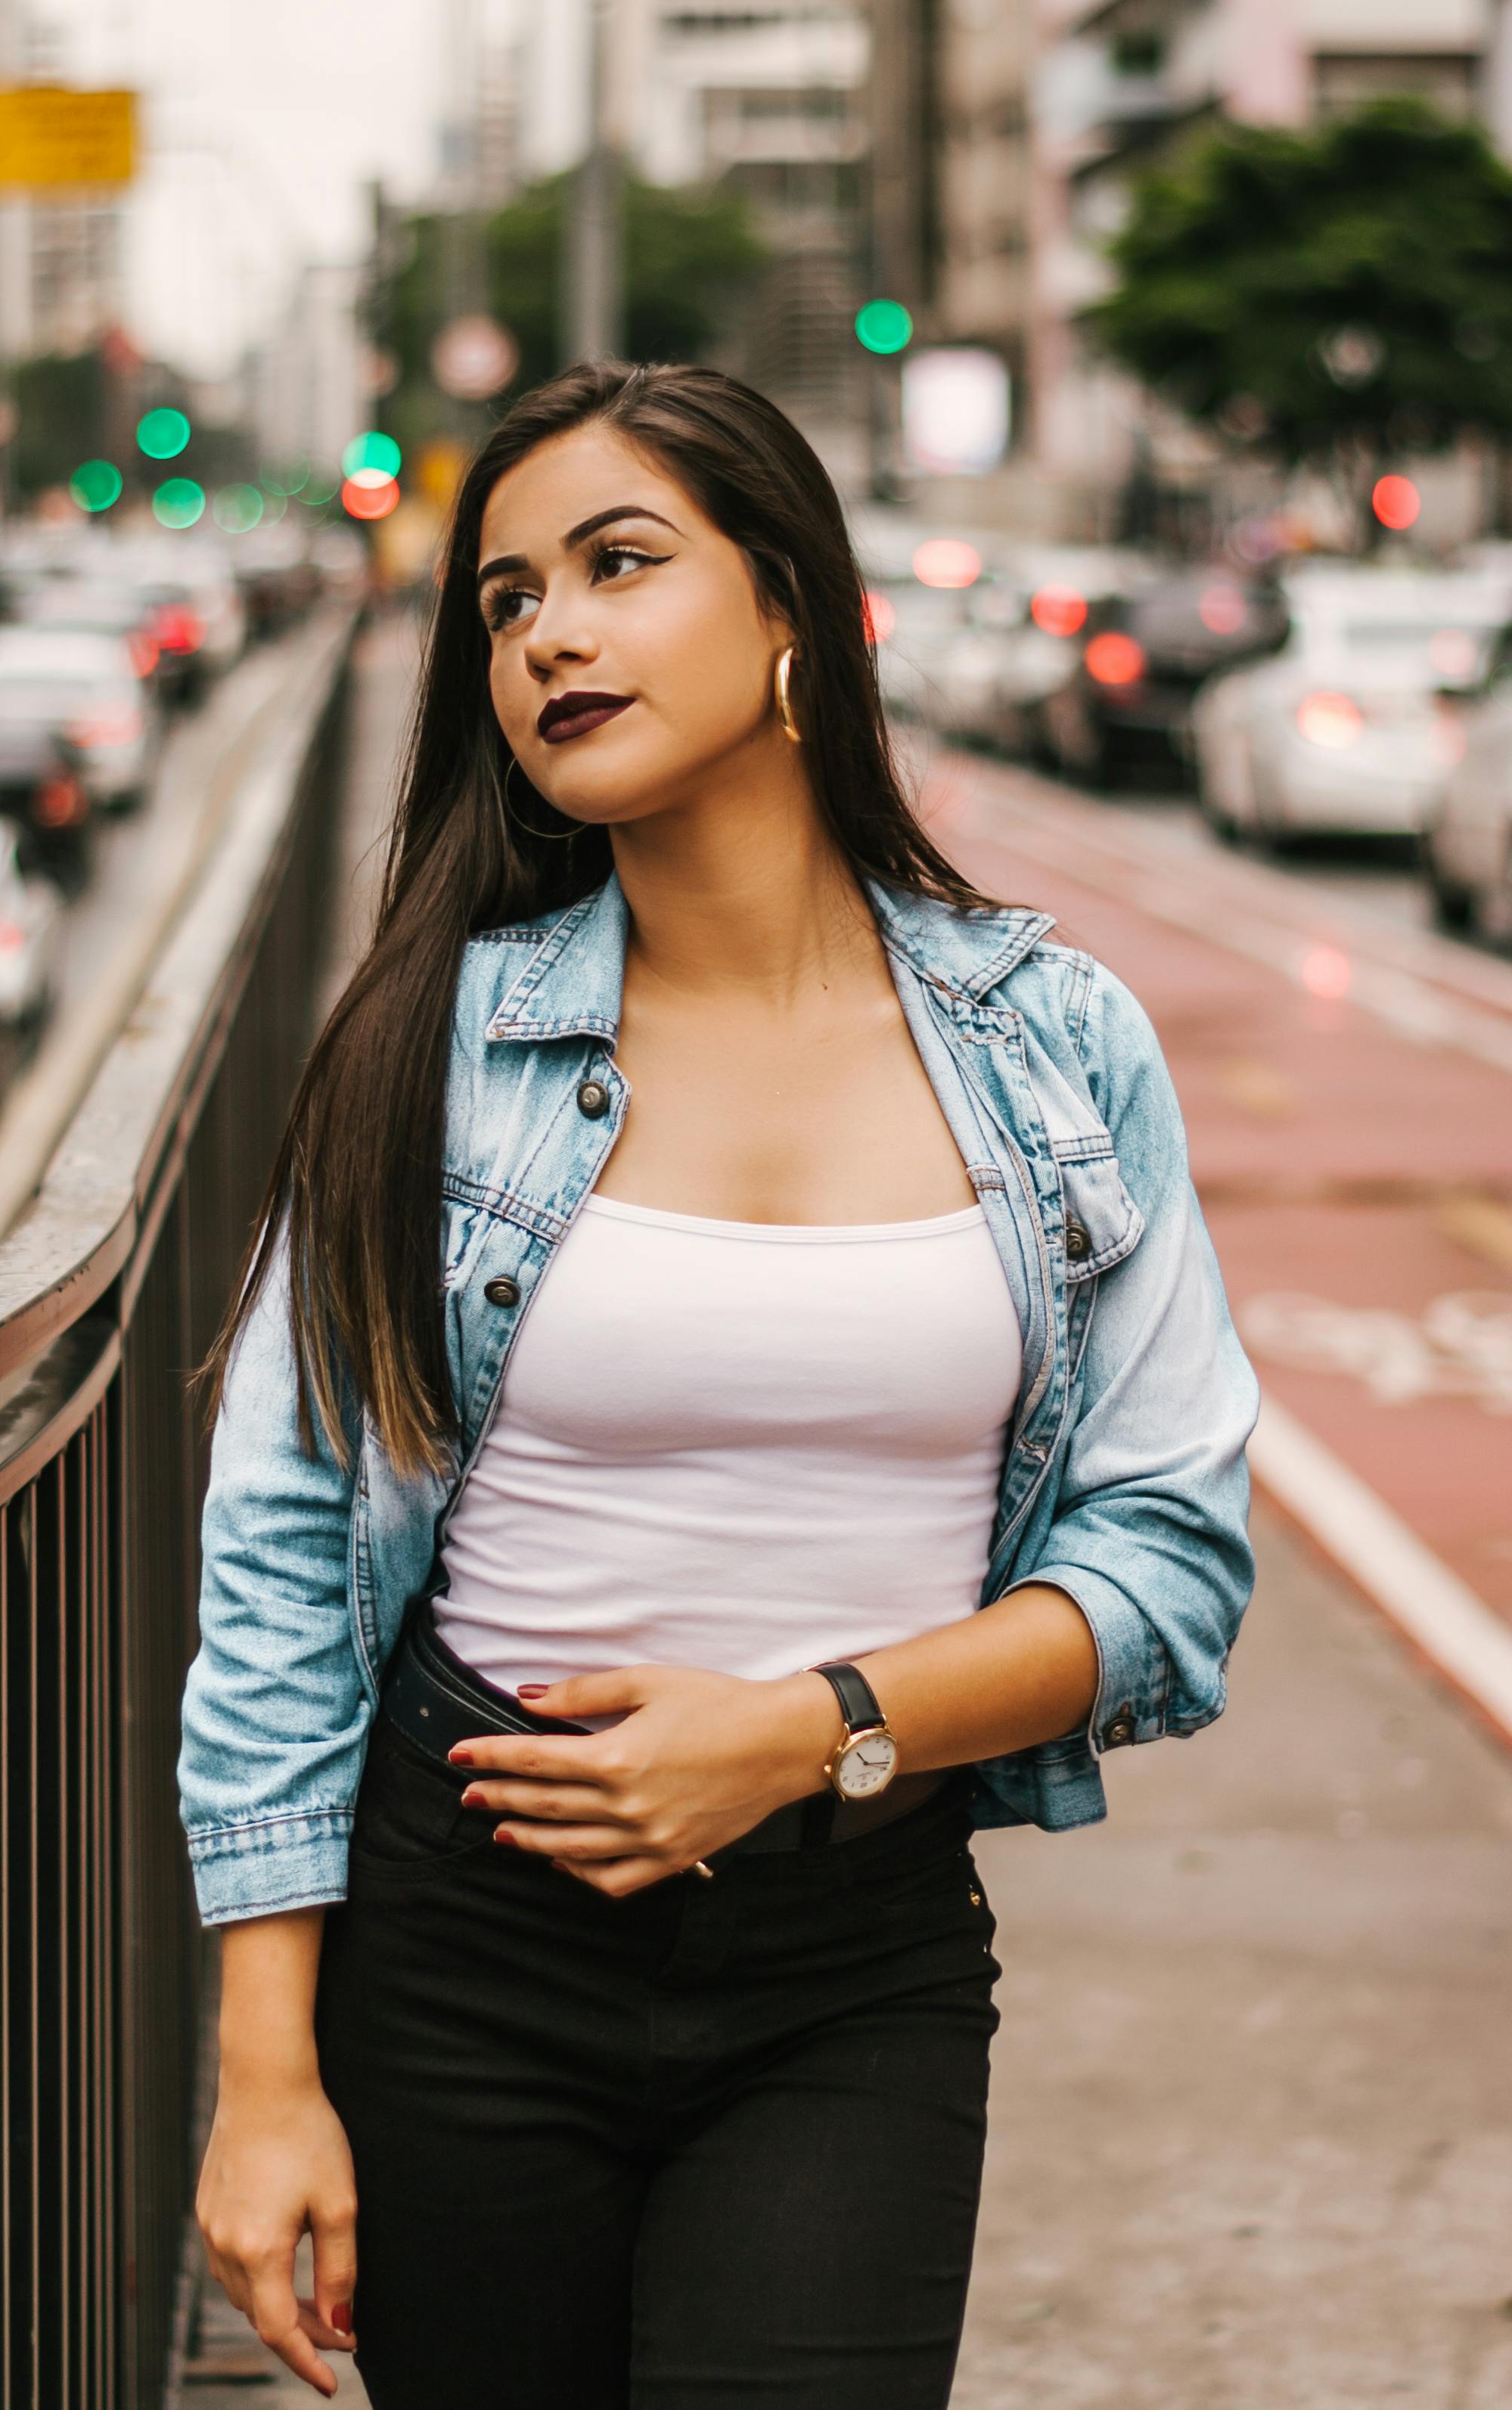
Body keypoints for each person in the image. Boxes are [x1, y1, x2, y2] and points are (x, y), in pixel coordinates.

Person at [179, 362, 1256, 2408]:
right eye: (504, 603)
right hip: (462, 1947)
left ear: (792, 610)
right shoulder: (430, 1046)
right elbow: (282, 1560)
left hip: (849, 1961)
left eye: (617, 563)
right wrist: (262, 2080)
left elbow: (1173, 1570)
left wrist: (815, 1729)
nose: (550, 634)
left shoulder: (1054, 1048)